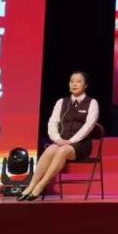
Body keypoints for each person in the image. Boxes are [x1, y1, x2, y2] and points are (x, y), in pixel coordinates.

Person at [18, 72, 99, 201]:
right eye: (72, 81)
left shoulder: (92, 103)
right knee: (50, 149)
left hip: (81, 145)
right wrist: (57, 139)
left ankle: (41, 185)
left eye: (79, 81)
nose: (74, 84)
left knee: (63, 150)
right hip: (62, 141)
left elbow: (89, 126)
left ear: (85, 85)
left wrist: (71, 141)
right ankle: (31, 185)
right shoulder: (61, 102)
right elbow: (52, 122)